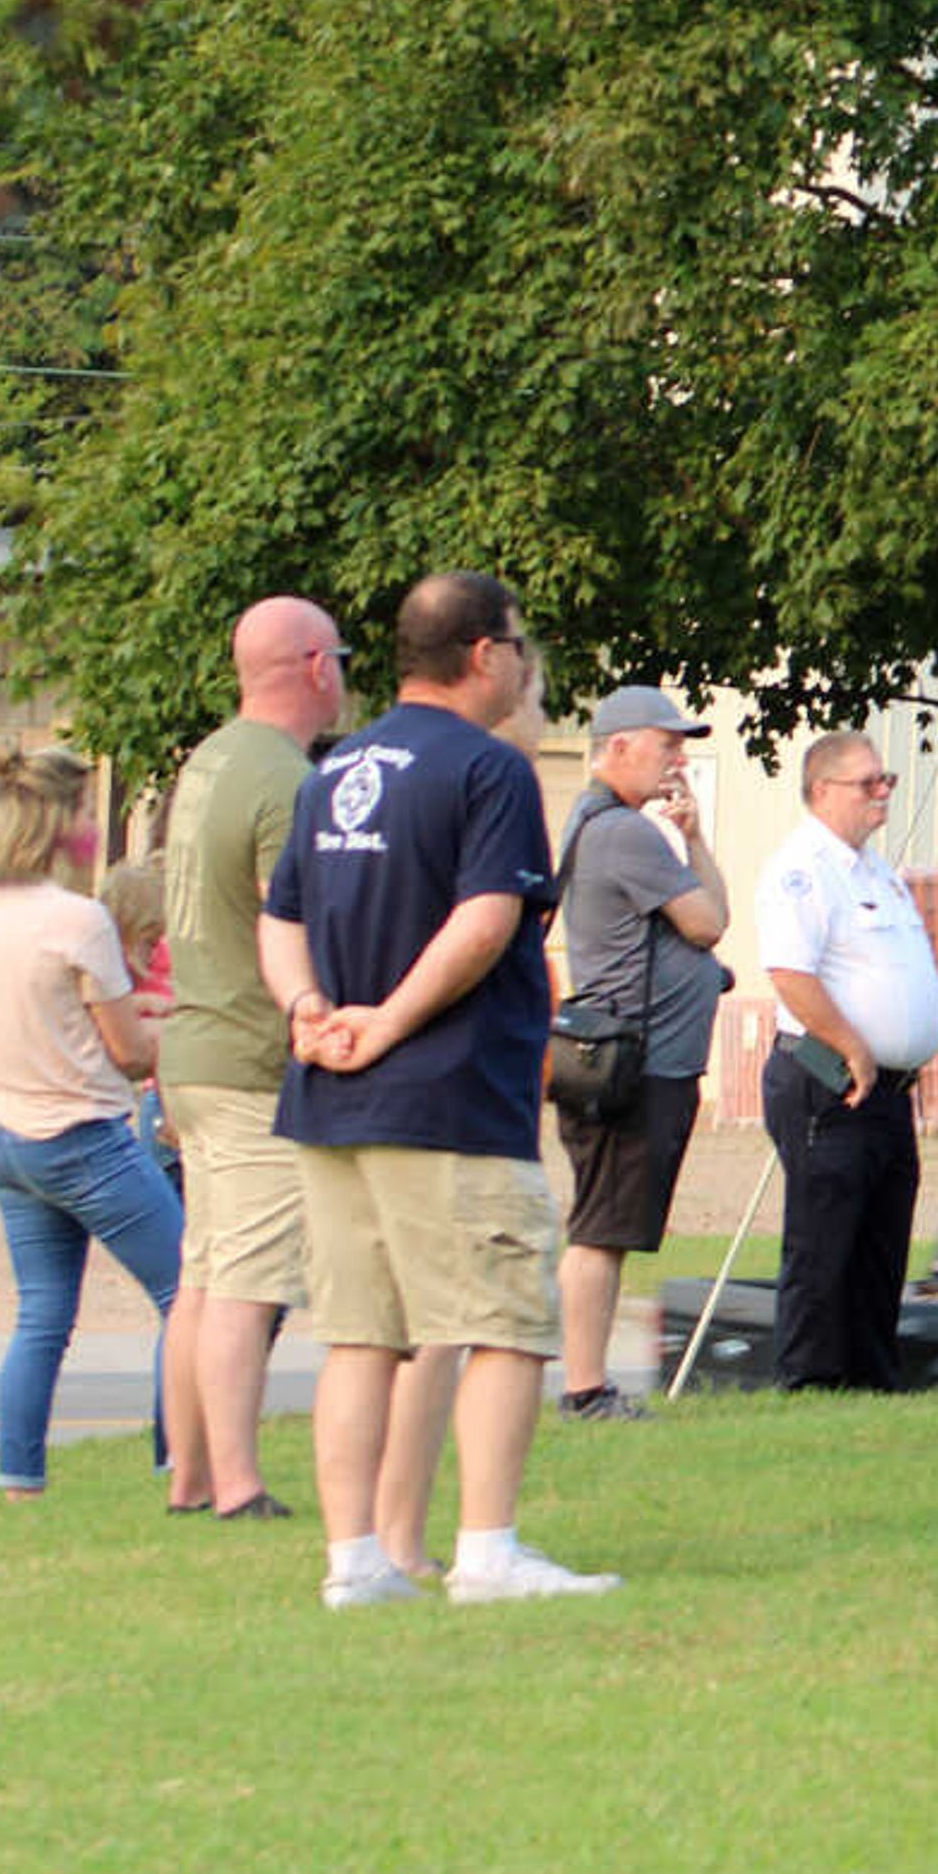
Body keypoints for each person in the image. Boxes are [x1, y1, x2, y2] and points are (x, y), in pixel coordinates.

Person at [260, 570, 614, 1607]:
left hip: (332, 1099)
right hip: (449, 1095)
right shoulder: (491, 769)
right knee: (504, 1317)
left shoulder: (333, 767)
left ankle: (354, 1560)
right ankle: (488, 1549)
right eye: (517, 643)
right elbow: (486, 921)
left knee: (362, 1333)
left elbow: (279, 913)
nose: (520, 661)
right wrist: (391, 1020)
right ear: (482, 653)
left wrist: (308, 1010)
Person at [155, 595, 345, 1520]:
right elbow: (290, 916)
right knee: (247, 1283)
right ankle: (236, 1483)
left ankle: (190, 1474)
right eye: (340, 659)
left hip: (192, 1045)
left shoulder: (211, 757)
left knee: (202, 1273)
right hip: (248, 1055)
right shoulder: (286, 777)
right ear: (315, 665)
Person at [0, 739, 184, 1502]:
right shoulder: (80, 917)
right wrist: (181, 1028)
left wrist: (143, 1008)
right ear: (62, 822)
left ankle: (20, 1478)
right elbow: (127, 1054)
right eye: (89, 809)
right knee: (188, 1295)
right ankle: (179, 1461)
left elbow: (48, 1015)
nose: (97, 824)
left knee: (43, 1316)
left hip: (4, 1132)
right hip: (82, 1139)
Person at [549, 684, 730, 1421]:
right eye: (667, 744)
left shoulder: (613, 823)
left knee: (611, 1224)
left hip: (638, 1056)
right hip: (632, 1061)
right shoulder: (620, 831)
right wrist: (688, 845)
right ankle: (585, 1388)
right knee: (601, 1226)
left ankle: (587, 1384)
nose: (678, 759)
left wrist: (693, 836)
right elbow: (708, 921)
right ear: (618, 747)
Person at [756, 731, 938, 1392]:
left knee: (881, 1235)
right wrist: (852, 1045)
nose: (883, 792)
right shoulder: (803, 868)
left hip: (888, 1090)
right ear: (822, 790)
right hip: (830, 1078)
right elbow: (791, 972)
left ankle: (871, 1376)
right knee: (824, 1235)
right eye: (868, 782)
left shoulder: (877, 872)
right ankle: (810, 1377)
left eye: (885, 778)